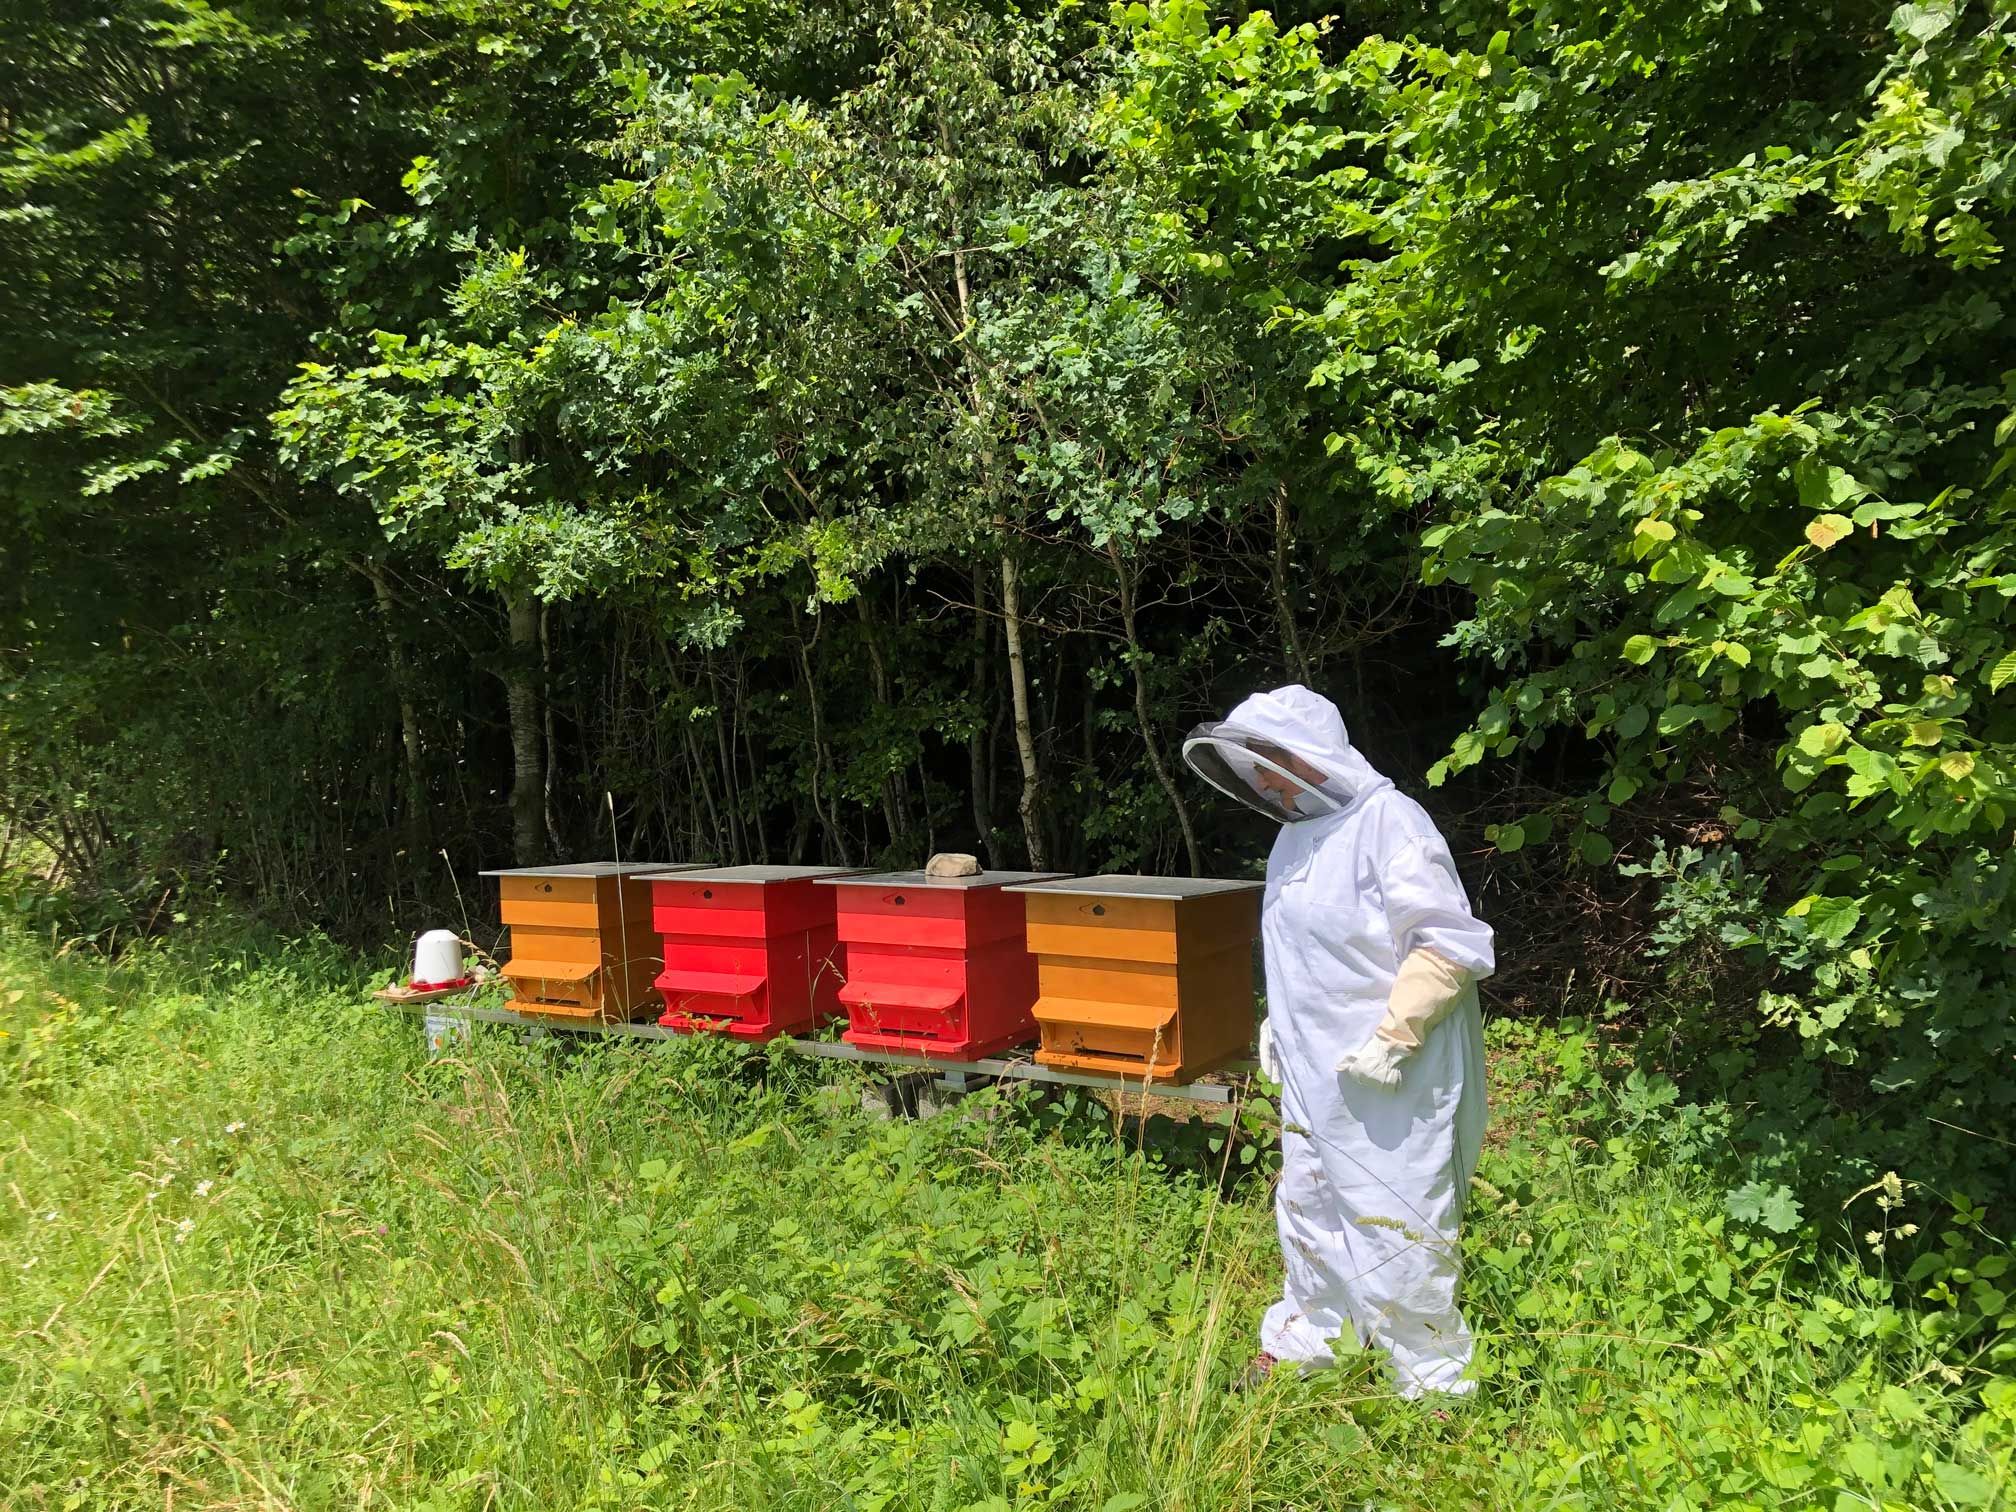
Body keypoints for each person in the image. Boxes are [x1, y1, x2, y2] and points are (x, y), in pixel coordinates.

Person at [1182, 684, 1493, 1398]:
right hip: (1311, 1066)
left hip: (1391, 1072)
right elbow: (1305, 948)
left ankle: (1431, 1381)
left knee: (1396, 1214)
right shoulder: (1294, 838)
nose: (1262, 784)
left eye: (1268, 764)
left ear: (1310, 754)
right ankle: (1308, 1339)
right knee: (1309, 1203)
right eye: (1252, 771)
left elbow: (1446, 942)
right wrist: (1279, 1022)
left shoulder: (1392, 823)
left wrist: (1396, 1033)